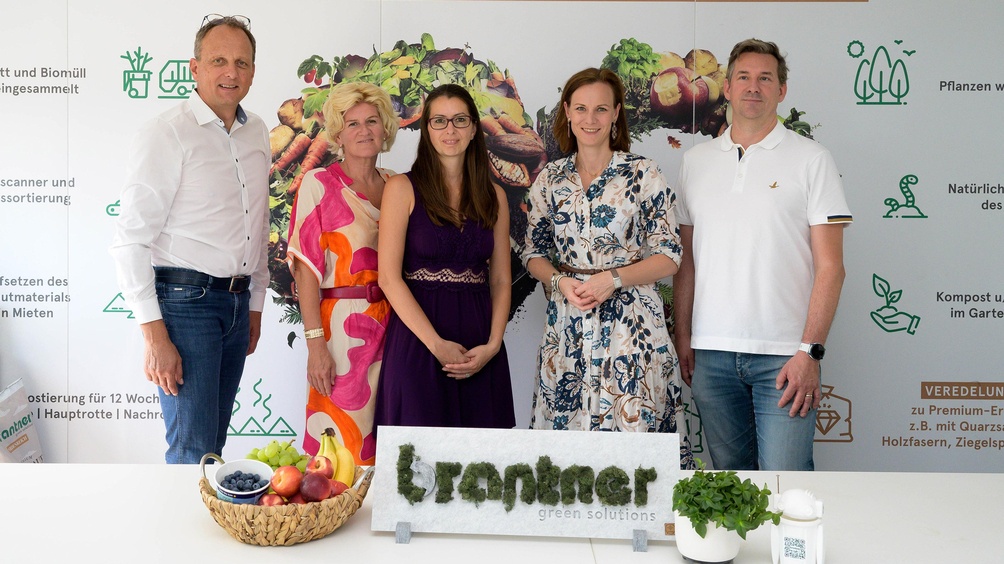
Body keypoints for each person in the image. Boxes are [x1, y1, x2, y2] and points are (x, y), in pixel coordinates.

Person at [673, 38, 852, 471]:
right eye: (744, 78)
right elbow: (687, 262)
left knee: (786, 488)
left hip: (785, 356)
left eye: (765, 79)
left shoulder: (812, 159)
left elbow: (832, 267)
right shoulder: (695, 162)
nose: (754, 87)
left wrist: (810, 352)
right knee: (733, 494)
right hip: (711, 356)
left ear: (781, 91)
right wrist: (684, 337)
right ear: (728, 88)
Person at [109, 15, 269, 464]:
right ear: (194, 67)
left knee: (211, 450)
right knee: (192, 452)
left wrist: (254, 305)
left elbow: (256, 223)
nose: (231, 72)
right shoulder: (167, 132)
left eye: (242, 62)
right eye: (218, 60)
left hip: (237, 307)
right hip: (185, 305)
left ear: (254, 71)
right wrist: (154, 337)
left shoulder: (256, 131)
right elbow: (130, 240)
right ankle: (178, 534)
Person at [522, 68, 694, 468]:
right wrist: (560, 281)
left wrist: (612, 279)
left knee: (634, 443)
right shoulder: (551, 179)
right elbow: (533, 253)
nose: (590, 118)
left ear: (616, 113)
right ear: (566, 112)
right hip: (568, 323)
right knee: (565, 448)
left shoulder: (643, 173)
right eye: (581, 108)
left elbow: (670, 255)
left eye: (601, 109)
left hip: (631, 327)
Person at [374, 84, 515, 429]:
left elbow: (499, 279)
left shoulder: (495, 196)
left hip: (480, 345)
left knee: (483, 467)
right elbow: (389, 278)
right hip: (419, 340)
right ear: (427, 130)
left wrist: (494, 345)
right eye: (439, 121)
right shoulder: (401, 189)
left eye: (459, 120)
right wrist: (436, 345)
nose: (449, 130)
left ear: (473, 129)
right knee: (414, 463)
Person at [285, 83, 399, 464]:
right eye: (352, 124)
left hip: (398, 325)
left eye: (372, 121)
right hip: (341, 331)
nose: (364, 131)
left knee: (394, 433)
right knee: (342, 444)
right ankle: (338, 517)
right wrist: (316, 346)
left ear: (385, 129)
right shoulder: (319, 184)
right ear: (337, 134)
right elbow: (306, 272)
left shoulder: (399, 184)